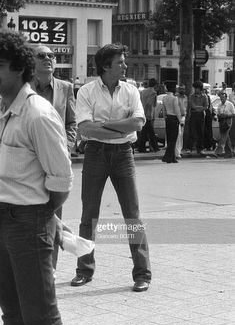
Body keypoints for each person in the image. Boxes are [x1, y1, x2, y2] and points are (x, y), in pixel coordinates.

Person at [0, 31, 73, 325]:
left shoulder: (38, 114)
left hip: (29, 223)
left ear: (17, 68)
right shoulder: (4, 110)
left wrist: (43, 215)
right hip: (4, 220)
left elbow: (61, 180)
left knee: (40, 315)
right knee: (12, 313)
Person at [71, 44, 151, 292]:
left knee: (133, 215)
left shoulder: (131, 90)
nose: (125, 66)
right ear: (106, 66)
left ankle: (142, 274)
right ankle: (84, 270)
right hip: (95, 153)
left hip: (124, 154)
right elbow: (85, 128)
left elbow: (138, 122)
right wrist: (120, 126)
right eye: (121, 62)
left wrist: (104, 125)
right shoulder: (86, 91)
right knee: (89, 215)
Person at [31, 44, 77, 270]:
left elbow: (71, 122)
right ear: (32, 62)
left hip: (55, 162)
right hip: (29, 161)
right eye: (42, 55)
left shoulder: (66, 87)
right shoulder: (23, 88)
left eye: (51, 55)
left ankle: (51, 270)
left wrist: (66, 148)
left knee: (52, 216)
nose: (48, 58)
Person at [161, 84, 183, 163]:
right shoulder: (174, 98)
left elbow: (163, 109)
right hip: (174, 119)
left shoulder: (164, 98)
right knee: (173, 139)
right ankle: (168, 157)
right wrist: (180, 120)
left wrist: (165, 118)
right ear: (173, 89)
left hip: (168, 119)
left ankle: (172, 157)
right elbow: (177, 110)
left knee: (170, 138)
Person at [137, 78, 159, 153]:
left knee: (145, 132)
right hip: (148, 114)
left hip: (142, 113)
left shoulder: (143, 91)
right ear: (155, 85)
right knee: (150, 132)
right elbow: (151, 104)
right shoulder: (153, 92)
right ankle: (154, 147)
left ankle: (143, 147)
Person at [188, 80, 208, 155]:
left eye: (197, 88)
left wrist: (198, 108)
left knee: (201, 132)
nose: (195, 90)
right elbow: (192, 105)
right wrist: (200, 107)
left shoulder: (204, 96)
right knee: (192, 131)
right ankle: (189, 148)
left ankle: (200, 148)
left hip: (201, 115)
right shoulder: (191, 96)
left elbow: (206, 106)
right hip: (193, 114)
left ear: (200, 89)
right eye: (195, 88)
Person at [214, 92, 235, 157]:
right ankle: (229, 153)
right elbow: (217, 113)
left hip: (228, 121)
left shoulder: (230, 104)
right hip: (221, 121)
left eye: (223, 97)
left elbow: (233, 113)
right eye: (221, 98)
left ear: (226, 98)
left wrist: (226, 115)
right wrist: (220, 115)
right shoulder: (219, 104)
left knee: (223, 136)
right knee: (226, 137)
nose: (222, 99)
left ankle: (218, 152)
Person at [175, 84, 188, 158]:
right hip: (177, 117)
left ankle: (179, 150)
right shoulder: (176, 97)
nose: (182, 90)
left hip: (183, 117)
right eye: (181, 89)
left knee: (181, 135)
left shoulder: (185, 97)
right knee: (178, 135)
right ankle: (177, 152)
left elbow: (186, 107)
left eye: (183, 89)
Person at [228, 82, 235, 152]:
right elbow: (233, 103)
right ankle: (232, 145)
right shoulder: (231, 95)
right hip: (233, 114)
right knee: (233, 130)